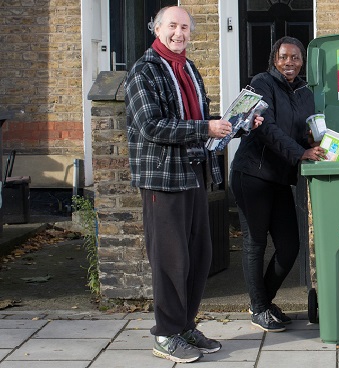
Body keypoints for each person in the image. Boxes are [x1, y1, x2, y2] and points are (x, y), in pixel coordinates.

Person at [125, 6, 261, 363]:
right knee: (171, 261)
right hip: (162, 178)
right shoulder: (144, 71)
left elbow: (203, 122)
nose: (179, 33)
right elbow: (151, 125)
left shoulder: (187, 68)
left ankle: (185, 326)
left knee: (198, 257)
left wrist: (240, 124)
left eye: (184, 27)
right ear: (157, 28)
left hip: (194, 174)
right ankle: (166, 334)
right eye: (172, 26)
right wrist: (206, 128)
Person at [230, 36, 326, 333]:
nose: (289, 62)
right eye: (284, 56)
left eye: (295, 58)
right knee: (255, 243)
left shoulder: (305, 92)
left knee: (289, 246)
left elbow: (304, 129)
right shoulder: (262, 84)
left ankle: (263, 302)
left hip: (281, 178)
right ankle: (259, 308)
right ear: (274, 58)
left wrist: (313, 140)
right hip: (253, 175)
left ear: (302, 62)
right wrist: (301, 153)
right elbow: (266, 129)